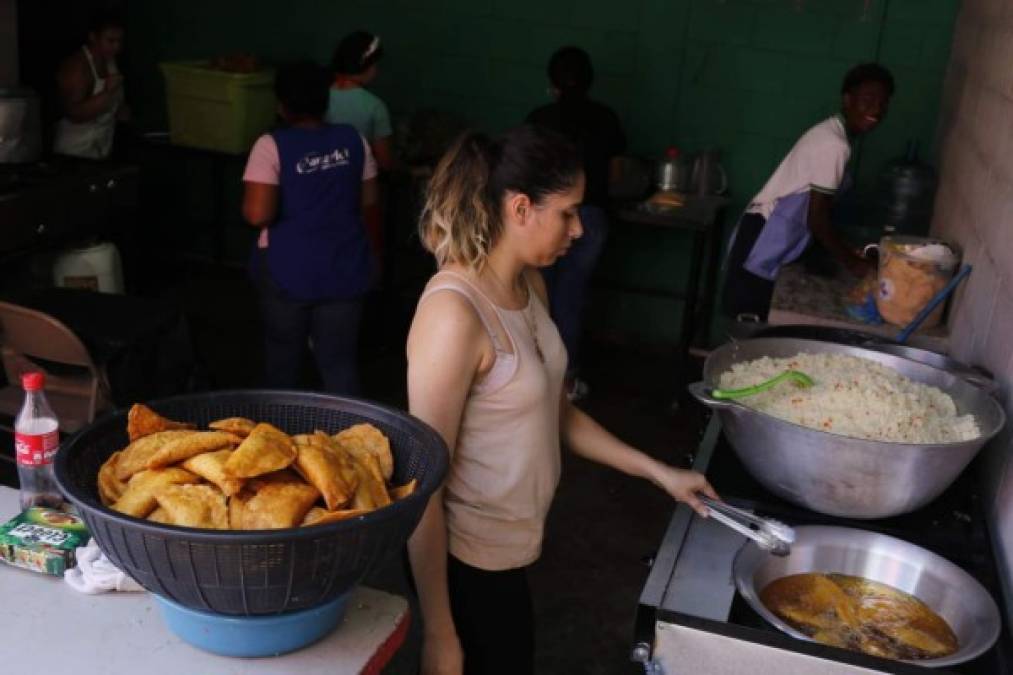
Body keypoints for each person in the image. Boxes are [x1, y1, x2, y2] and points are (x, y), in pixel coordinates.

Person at [406, 125, 717, 675]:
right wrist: (439, 632)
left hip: (510, 550)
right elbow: (420, 486)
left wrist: (660, 473)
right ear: (521, 208)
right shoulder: (453, 315)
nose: (578, 229)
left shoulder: (529, 287)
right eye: (568, 212)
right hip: (463, 565)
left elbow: (555, 413)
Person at [242, 61, 379, 395]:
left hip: (287, 269)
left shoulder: (270, 145)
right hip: (345, 266)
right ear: (324, 100)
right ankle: (351, 441)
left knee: (283, 364)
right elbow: (370, 202)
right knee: (339, 364)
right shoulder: (354, 140)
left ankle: (278, 442)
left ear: (282, 104)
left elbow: (258, 214)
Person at [723, 63, 893, 321]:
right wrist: (854, 263)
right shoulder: (834, 144)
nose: (877, 110)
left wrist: (848, 249)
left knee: (751, 323)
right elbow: (817, 219)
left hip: (770, 236)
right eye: (868, 99)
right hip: (763, 240)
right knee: (747, 324)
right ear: (847, 99)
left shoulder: (835, 133)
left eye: (883, 102)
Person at [526, 46, 626, 401]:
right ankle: (566, 383)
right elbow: (616, 177)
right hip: (593, 214)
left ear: (552, 82)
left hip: (544, 216)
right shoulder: (606, 118)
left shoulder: (540, 118)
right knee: (571, 297)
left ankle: (534, 378)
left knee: (538, 296)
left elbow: (525, 174)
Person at [54, 9, 129, 159]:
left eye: (119, 41)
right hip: (73, 156)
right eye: (110, 41)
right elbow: (74, 114)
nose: (116, 47)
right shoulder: (77, 67)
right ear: (93, 37)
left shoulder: (110, 61)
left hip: (100, 152)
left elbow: (118, 108)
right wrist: (107, 94)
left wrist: (121, 110)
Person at [326, 30, 393, 171]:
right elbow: (384, 162)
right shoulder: (375, 106)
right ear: (367, 66)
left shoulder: (315, 97)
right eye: (375, 65)